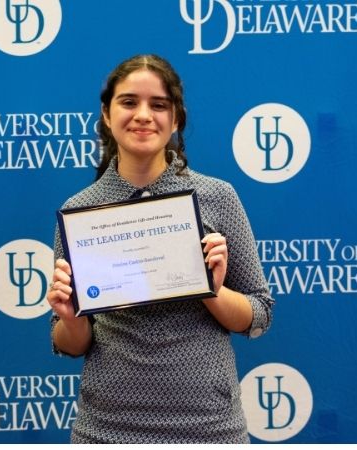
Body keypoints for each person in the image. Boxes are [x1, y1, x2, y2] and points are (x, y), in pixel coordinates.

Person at [46, 54, 274, 444]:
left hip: (208, 426)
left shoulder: (217, 197)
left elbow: (258, 315)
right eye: (129, 102)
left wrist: (212, 290)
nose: (143, 115)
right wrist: (69, 316)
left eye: (159, 105)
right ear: (106, 113)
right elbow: (69, 344)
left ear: (176, 119)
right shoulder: (79, 212)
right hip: (107, 429)